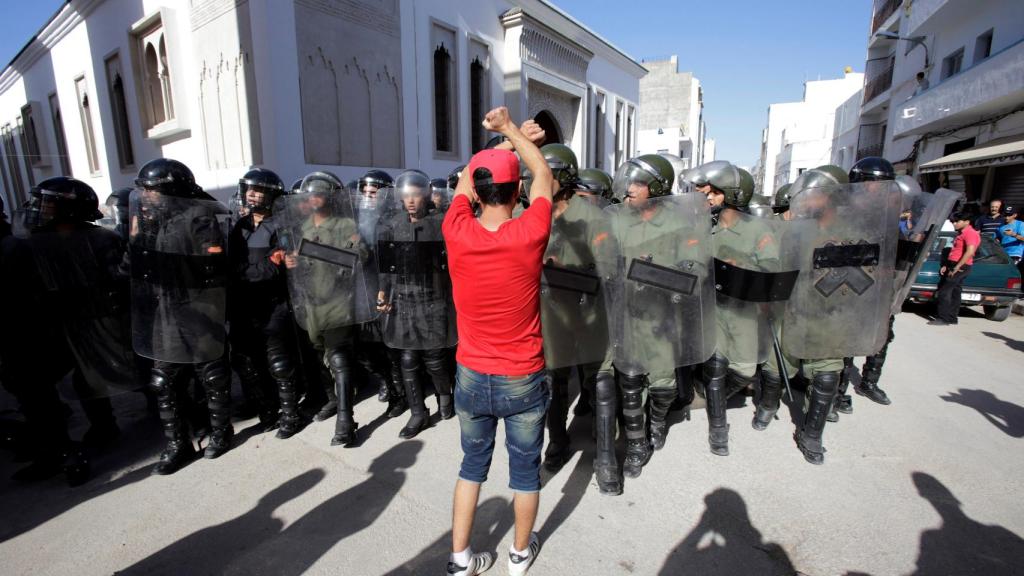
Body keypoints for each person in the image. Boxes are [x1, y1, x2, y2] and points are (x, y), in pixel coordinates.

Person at [442, 106, 553, 576]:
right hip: (522, 375)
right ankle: (518, 556)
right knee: (525, 473)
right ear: (518, 191)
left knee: (472, 466)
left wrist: (501, 142)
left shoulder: (455, 229)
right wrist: (511, 132)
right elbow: (544, 171)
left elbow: (467, 177)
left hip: (471, 374)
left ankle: (460, 558)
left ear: (476, 193)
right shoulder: (530, 232)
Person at [601, 154, 713, 485]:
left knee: (663, 386)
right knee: (631, 382)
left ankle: (659, 421)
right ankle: (637, 444)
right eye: (628, 182)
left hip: (664, 315)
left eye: (636, 183)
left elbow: (698, 265)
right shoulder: (617, 219)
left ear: (658, 187)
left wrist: (674, 276)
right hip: (626, 313)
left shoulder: (680, 223)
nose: (628, 189)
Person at [129, 158, 234, 475]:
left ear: (171, 190)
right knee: (164, 382)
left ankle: (220, 431)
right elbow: (137, 265)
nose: (146, 197)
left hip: (199, 311)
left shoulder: (199, 215)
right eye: (144, 191)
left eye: (152, 191)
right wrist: (137, 240)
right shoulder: (154, 222)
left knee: (211, 376)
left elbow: (212, 264)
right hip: (167, 314)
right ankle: (178, 444)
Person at [278, 172, 371, 447]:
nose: (315, 199)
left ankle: (345, 419)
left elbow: (360, 256)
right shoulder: (302, 227)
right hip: (310, 303)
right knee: (320, 356)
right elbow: (298, 262)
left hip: (338, 301)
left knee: (339, 359)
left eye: (320, 194)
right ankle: (333, 400)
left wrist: (316, 252)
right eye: (311, 195)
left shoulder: (345, 225)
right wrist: (292, 262)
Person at [375, 169, 457, 439]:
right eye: (406, 196)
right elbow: (387, 267)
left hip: (433, 299)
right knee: (408, 359)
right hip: (403, 299)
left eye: (416, 195)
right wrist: (383, 293)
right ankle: (417, 413)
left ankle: (445, 397)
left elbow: (452, 265)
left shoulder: (441, 224)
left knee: (434, 358)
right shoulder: (391, 225)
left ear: (426, 196)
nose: (411, 201)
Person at [229, 168, 308, 438]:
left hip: (273, 303)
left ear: (271, 194)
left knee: (279, 363)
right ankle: (266, 411)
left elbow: (278, 266)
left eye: (258, 189)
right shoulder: (240, 226)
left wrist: (241, 273)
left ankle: (290, 414)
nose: (251, 194)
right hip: (243, 304)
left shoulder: (282, 225)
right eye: (249, 188)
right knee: (247, 362)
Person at [930, 211, 980, 326]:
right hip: (954, 265)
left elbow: (970, 251)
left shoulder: (970, 233)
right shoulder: (961, 233)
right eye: (953, 221)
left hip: (961, 266)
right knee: (955, 292)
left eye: (957, 221)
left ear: (967, 222)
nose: (954, 223)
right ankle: (952, 317)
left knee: (944, 291)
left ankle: (943, 318)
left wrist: (957, 267)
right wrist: (947, 265)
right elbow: (956, 251)